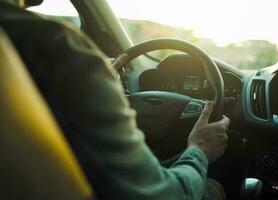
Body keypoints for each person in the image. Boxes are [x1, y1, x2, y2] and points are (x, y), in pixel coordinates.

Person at [0, 0, 230, 199]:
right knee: (212, 188)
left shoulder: (17, 41)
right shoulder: (54, 48)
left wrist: (99, 87)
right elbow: (167, 195)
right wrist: (198, 150)